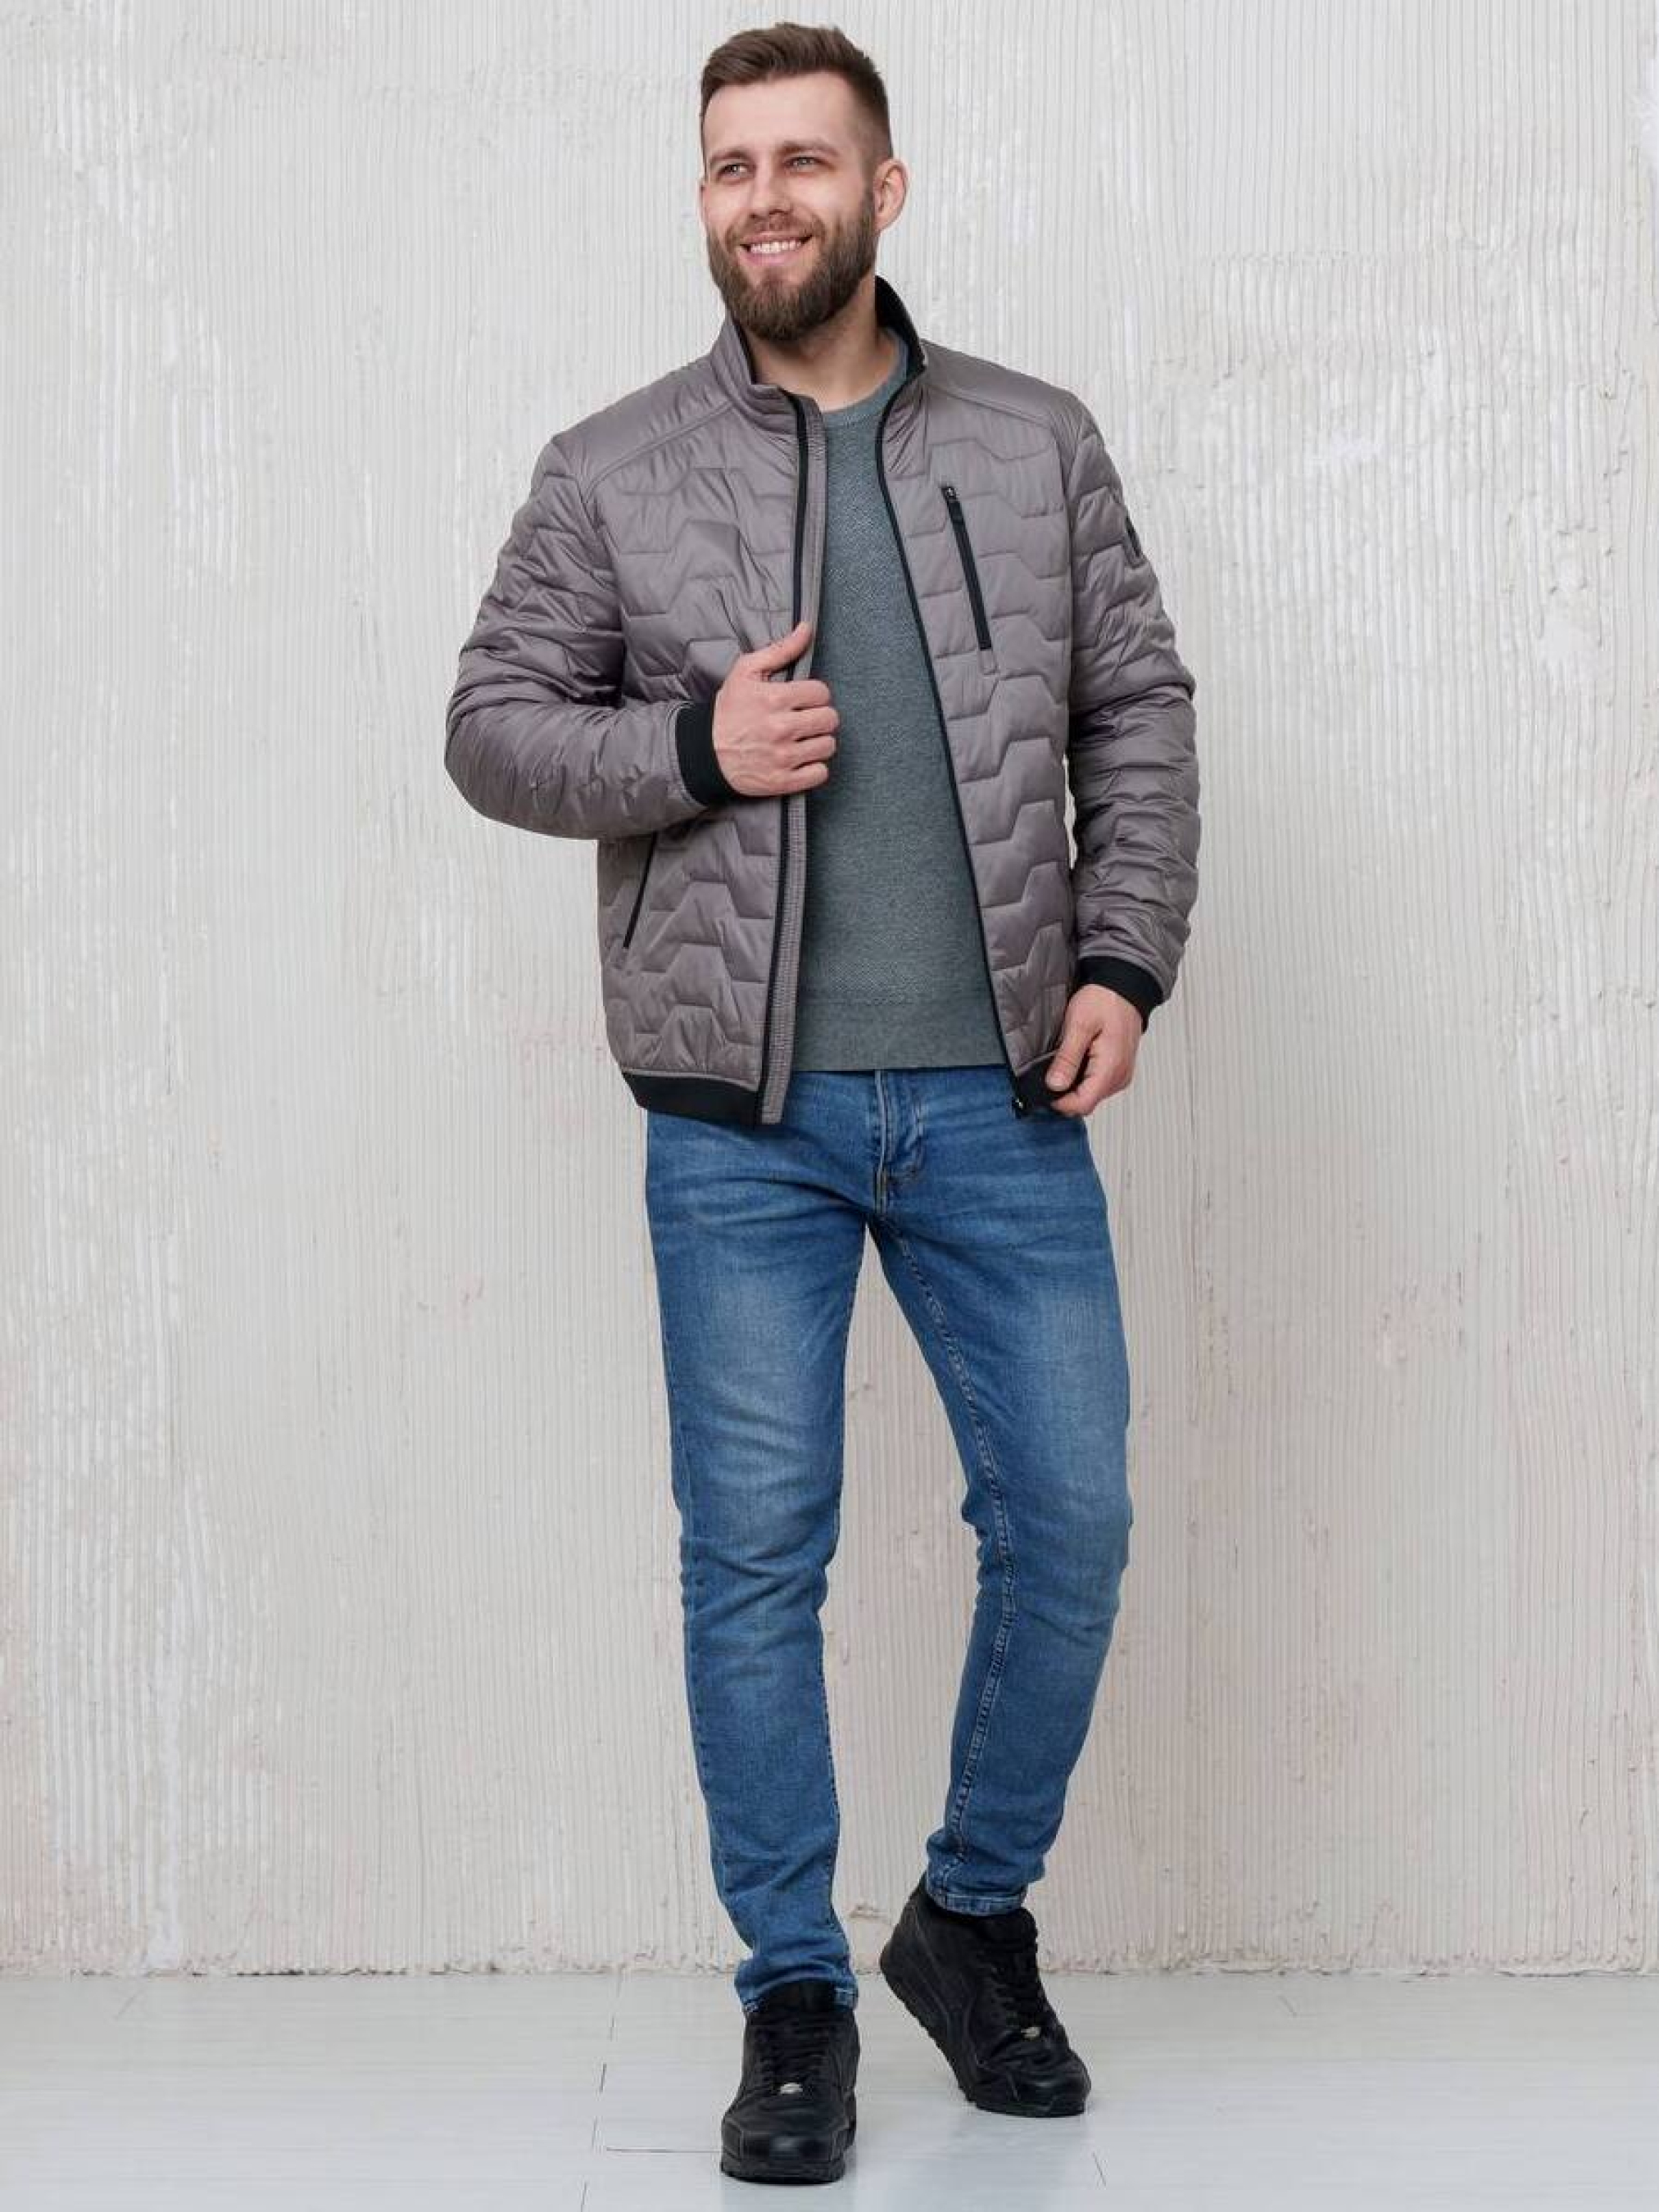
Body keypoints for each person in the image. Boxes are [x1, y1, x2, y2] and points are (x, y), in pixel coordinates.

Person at [446, 20, 1199, 2187]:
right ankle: (792, 1985)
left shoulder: (1035, 443)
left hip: (1000, 1094)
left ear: (884, 188)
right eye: (729, 166)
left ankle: (968, 1916)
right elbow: (493, 727)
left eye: (802, 160)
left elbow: (1135, 709)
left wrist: (1121, 956)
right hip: (737, 1117)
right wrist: (691, 748)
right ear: (703, 200)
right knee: (754, 1560)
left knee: (1069, 1520)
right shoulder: (609, 470)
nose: (763, 197)